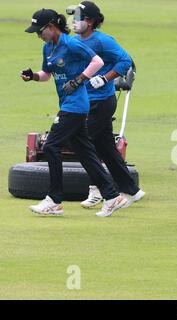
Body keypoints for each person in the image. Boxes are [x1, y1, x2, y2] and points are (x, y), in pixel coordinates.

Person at [22, 8, 127, 217]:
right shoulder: (48, 48)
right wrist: (32, 76)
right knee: (85, 153)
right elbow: (46, 74)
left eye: (40, 31)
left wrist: (80, 80)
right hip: (67, 104)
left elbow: (97, 62)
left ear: (51, 27)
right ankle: (112, 196)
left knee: (51, 145)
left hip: (76, 105)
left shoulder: (71, 44)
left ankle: (54, 200)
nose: (38, 35)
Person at [67, 1, 145, 208]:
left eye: (78, 18)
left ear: (91, 21)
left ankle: (98, 190)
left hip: (102, 102)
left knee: (84, 144)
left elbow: (125, 61)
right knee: (106, 148)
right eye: (72, 17)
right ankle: (132, 190)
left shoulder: (103, 41)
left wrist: (105, 78)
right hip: (85, 102)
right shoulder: (74, 41)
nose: (74, 22)